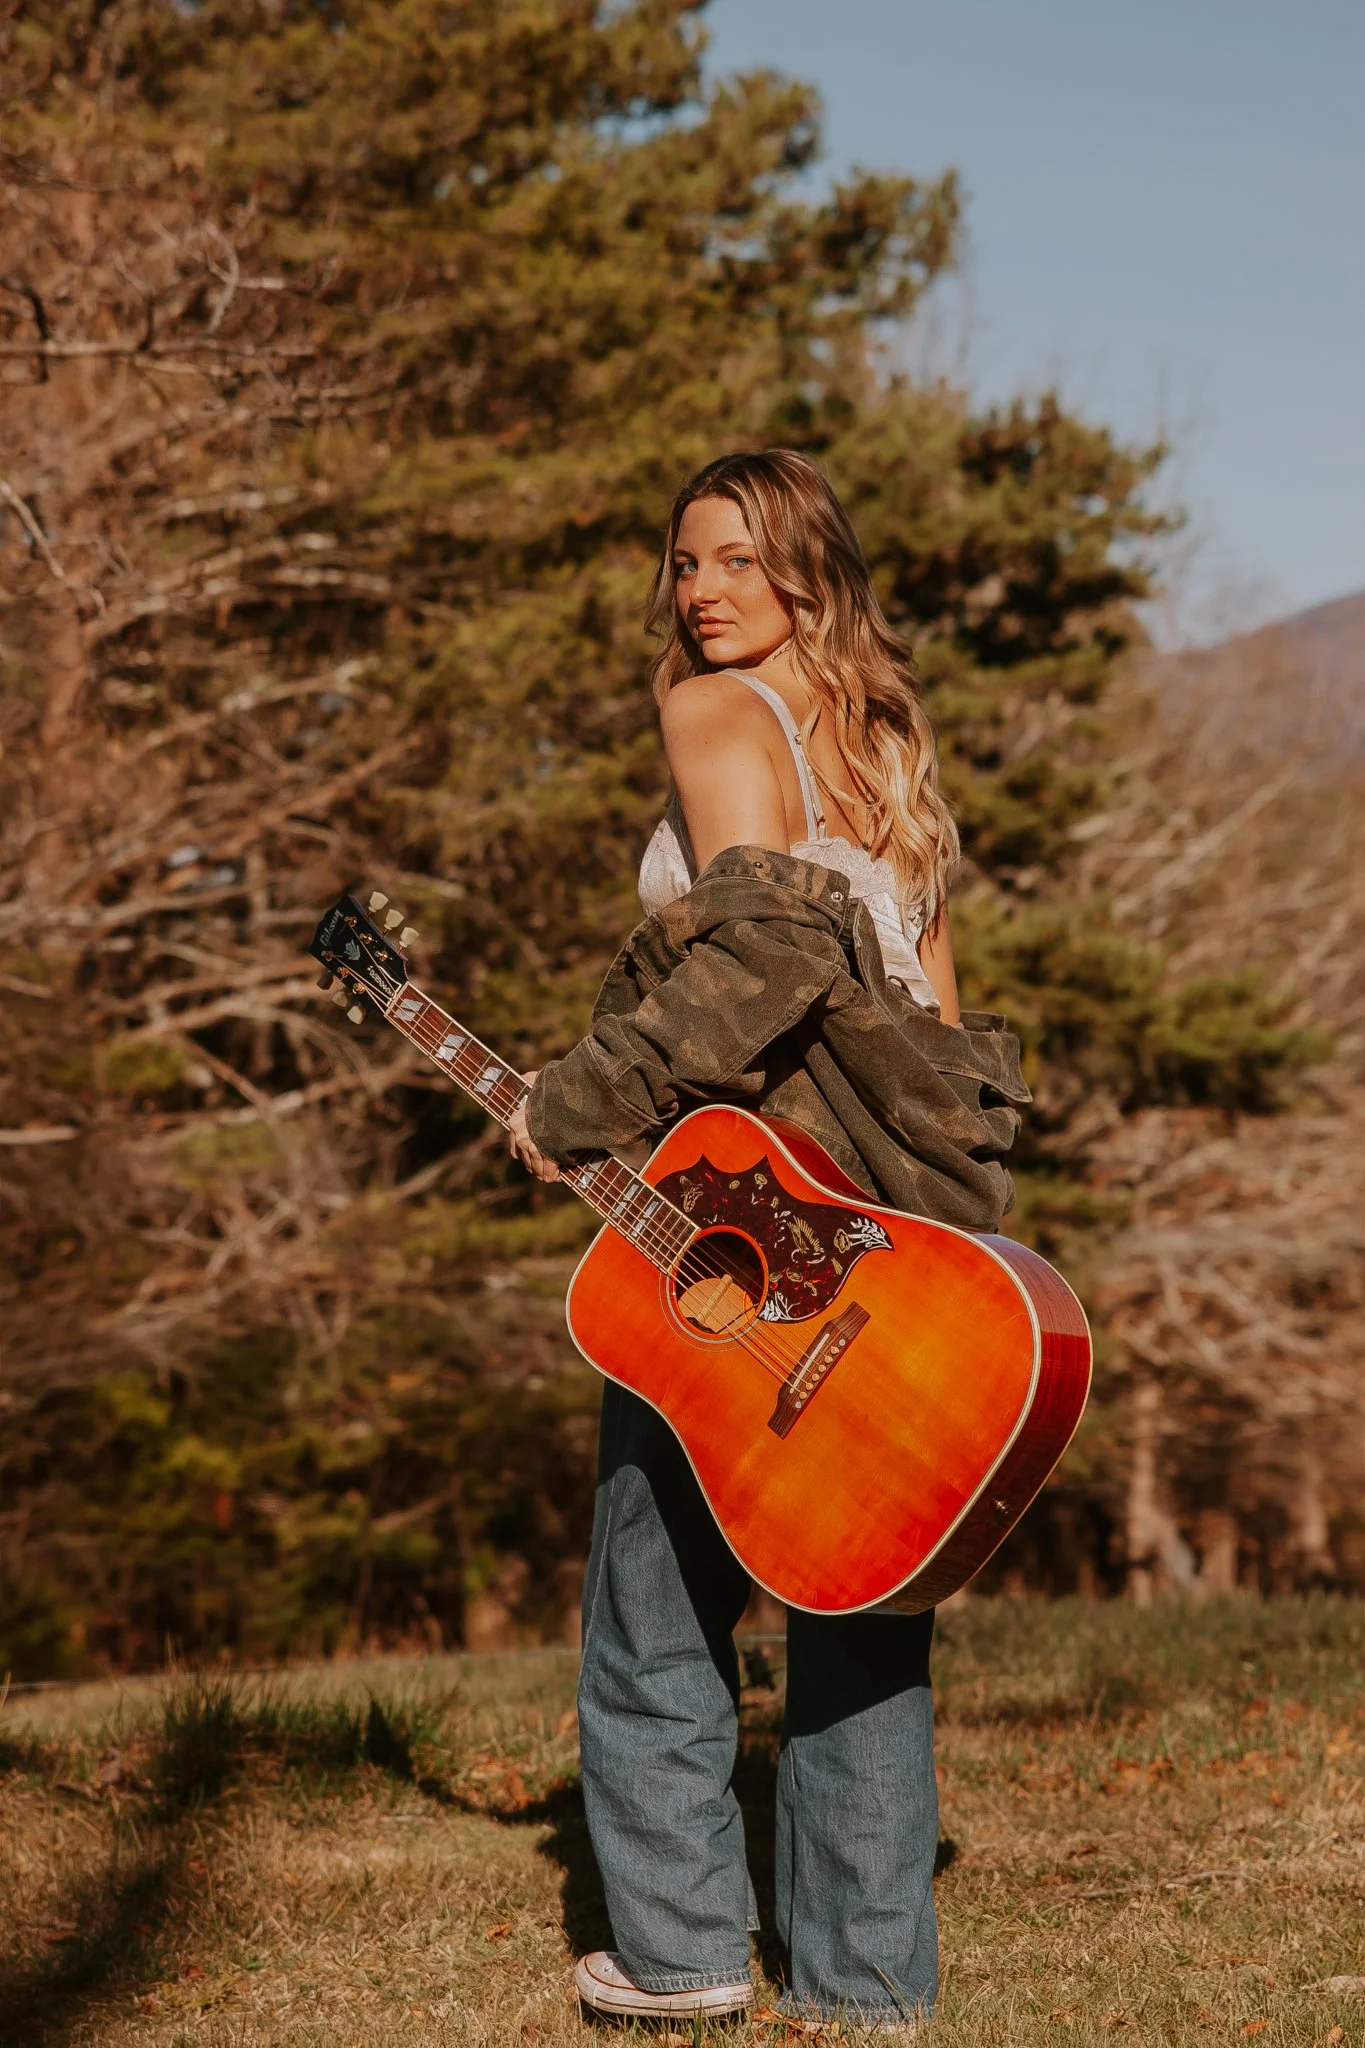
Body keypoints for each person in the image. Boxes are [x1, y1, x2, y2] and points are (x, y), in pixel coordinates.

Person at [506, 449, 997, 2032]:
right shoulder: (891, 748)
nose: (701, 591)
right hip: (893, 1225)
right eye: (682, 562)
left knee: (657, 1602)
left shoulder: (715, 717)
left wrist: (577, 1100)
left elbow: (759, 965)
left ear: (803, 567)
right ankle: (868, 1984)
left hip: (746, 1210)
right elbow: (942, 1036)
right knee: (861, 1598)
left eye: (734, 558)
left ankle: (684, 1954)